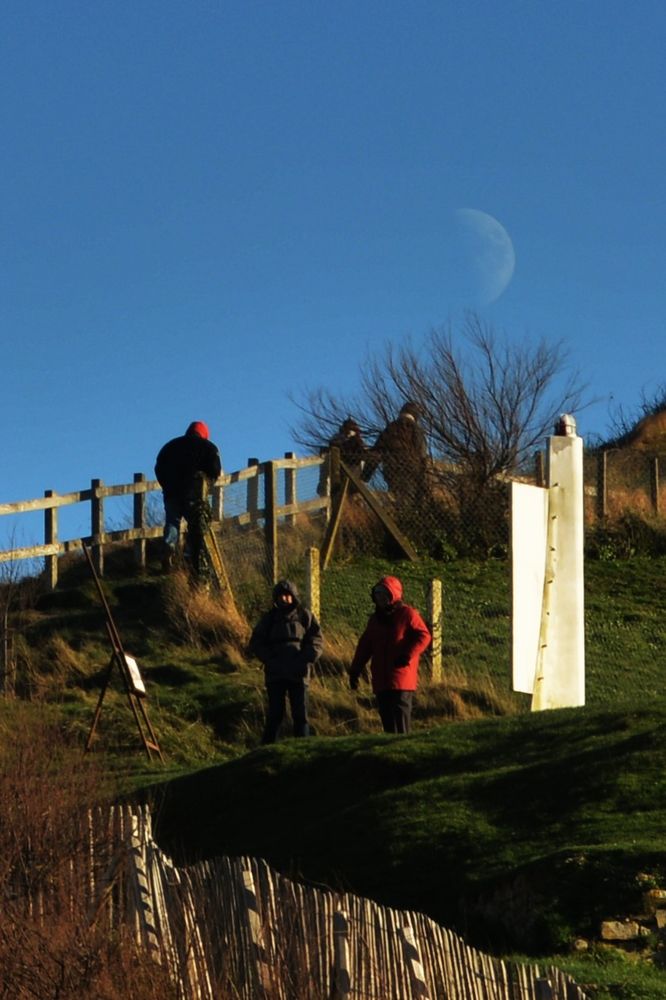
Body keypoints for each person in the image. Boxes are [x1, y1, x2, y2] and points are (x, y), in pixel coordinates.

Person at [348, 576, 431, 734]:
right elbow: (365, 646)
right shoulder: (374, 620)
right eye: (377, 594)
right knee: (387, 723)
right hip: (380, 679)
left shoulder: (407, 614)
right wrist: (355, 670)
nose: (380, 598)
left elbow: (424, 636)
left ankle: (403, 753)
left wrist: (407, 655)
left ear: (393, 595)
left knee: (401, 723)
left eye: (384, 594)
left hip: (401, 678)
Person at [249, 579, 323, 744]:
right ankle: (267, 749)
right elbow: (256, 642)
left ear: (293, 596)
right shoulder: (269, 619)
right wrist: (270, 659)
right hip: (276, 673)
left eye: (287, 596)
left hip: (299, 672)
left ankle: (303, 748)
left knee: (300, 714)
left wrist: (306, 658)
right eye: (281, 596)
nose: (284, 599)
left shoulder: (305, 616)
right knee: (275, 713)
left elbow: (316, 640)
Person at [154, 421, 222, 570]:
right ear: (204, 434)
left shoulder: (170, 446)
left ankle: (169, 547)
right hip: (194, 493)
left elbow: (159, 467)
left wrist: (166, 484)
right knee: (194, 525)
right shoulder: (208, 447)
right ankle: (189, 555)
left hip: (172, 492)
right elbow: (215, 469)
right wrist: (207, 483)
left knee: (172, 521)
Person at [362, 402, 429, 500]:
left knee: (396, 497)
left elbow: (376, 452)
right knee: (409, 500)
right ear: (416, 415)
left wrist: (365, 476)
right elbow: (422, 454)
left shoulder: (390, 428)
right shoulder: (417, 430)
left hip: (391, 469)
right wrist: (422, 478)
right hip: (411, 470)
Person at [317, 417, 367, 495]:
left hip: (353, 466)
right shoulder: (337, 438)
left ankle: (356, 488)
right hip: (339, 466)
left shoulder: (358, 442)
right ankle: (326, 490)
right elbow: (334, 447)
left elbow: (362, 454)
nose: (350, 432)